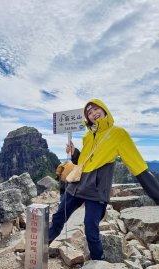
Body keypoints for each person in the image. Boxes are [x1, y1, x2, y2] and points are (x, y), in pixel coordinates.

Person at [49, 98, 159, 260]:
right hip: (77, 185)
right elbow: (83, 163)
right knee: (59, 216)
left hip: (97, 189)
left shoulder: (118, 134)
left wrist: (156, 193)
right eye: (89, 112)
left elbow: (137, 164)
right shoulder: (88, 136)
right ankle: (41, 247)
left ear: (104, 109)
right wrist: (74, 153)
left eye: (95, 109)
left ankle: (97, 262)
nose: (93, 114)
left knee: (90, 228)